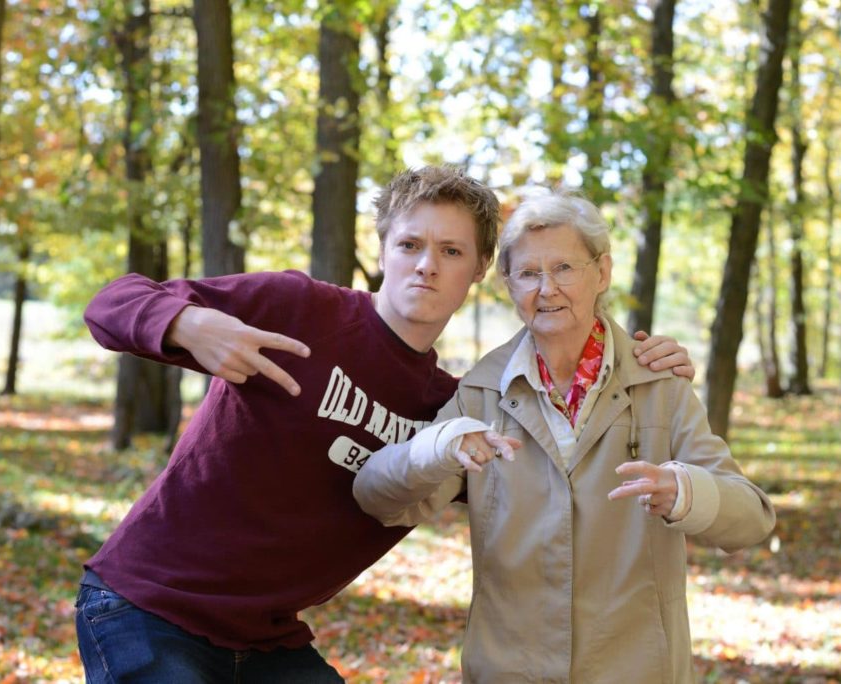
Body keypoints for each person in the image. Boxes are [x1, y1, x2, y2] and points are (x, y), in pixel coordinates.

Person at [75, 167, 695, 683]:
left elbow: (550, 474)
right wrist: (188, 323)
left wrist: (641, 366)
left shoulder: (457, 411)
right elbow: (111, 303)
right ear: (381, 251)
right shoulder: (297, 309)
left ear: (481, 270)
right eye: (409, 245)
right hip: (148, 605)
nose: (426, 265)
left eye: (451, 251)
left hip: (265, 639)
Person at [353, 190, 776, 683]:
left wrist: (685, 490)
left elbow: (752, 519)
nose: (547, 289)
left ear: (602, 273)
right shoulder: (481, 393)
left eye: (564, 269)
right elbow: (378, 498)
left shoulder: (659, 385)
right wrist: (437, 448)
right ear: (508, 284)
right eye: (529, 273)